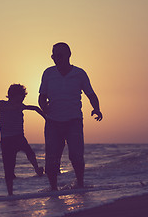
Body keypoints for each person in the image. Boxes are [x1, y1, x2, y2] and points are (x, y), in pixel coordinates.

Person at [38, 42, 103, 191]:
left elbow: (91, 94)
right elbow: (42, 96)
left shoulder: (79, 73)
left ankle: (80, 185)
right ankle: (53, 189)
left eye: (59, 55)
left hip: (74, 121)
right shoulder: (48, 73)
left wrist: (97, 109)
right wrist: (44, 107)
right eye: (54, 55)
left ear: (68, 55)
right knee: (51, 160)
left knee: (76, 157)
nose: (56, 58)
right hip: (52, 122)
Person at [0, 84, 45, 196]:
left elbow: (35, 108)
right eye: (20, 97)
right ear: (12, 95)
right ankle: (10, 193)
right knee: (8, 167)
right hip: (6, 140)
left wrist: (46, 118)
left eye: (23, 97)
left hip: (19, 137)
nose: (22, 99)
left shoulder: (21, 105)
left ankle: (36, 168)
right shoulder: (2, 103)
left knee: (30, 152)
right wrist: (12, 108)